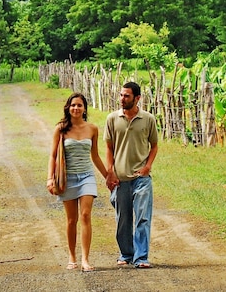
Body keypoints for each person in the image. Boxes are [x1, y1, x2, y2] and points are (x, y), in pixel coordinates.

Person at [46, 92, 108, 272]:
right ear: (68, 107)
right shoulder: (61, 129)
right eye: (73, 105)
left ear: (84, 108)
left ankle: (85, 259)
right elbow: (53, 155)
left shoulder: (93, 129)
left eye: (79, 105)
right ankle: (72, 257)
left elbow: (95, 156)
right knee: (72, 220)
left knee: (86, 215)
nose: (76, 108)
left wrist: (107, 177)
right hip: (67, 178)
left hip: (87, 177)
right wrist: (50, 178)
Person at [104, 81, 159, 269]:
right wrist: (110, 172)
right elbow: (109, 148)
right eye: (121, 95)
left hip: (141, 178)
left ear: (137, 98)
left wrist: (147, 167)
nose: (122, 99)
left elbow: (154, 146)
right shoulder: (112, 118)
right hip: (120, 179)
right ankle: (126, 254)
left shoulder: (148, 119)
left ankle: (141, 257)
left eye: (126, 96)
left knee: (143, 217)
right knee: (123, 219)